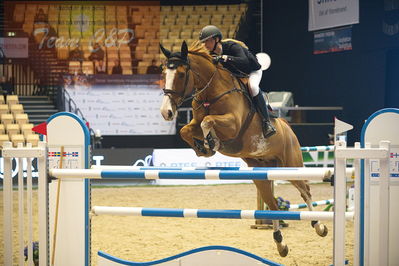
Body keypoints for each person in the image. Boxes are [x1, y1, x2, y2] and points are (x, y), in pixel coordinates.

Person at [199, 25, 275, 138]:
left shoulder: (231, 46)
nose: (205, 45)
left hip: (252, 70)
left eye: (207, 41)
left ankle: (266, 122)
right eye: (203, 42)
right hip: (237, 74)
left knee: (253, 87)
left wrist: (224, 57)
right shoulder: (211, 55)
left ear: (216, 39)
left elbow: (244, 62)